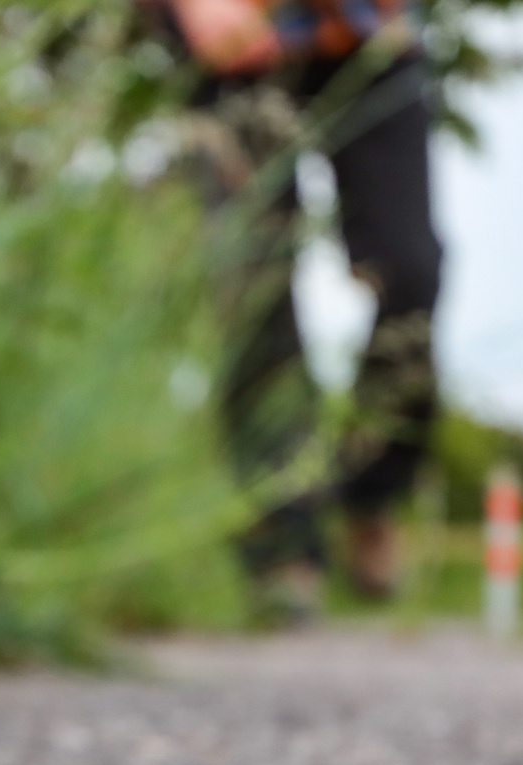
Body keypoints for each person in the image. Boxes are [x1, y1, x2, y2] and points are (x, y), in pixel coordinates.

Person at [154, 0, 444, 607]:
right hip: (235, 47)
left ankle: (374, 490)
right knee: (249, 282)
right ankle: (280, 537)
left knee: (411, 273)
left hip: (369, 38)